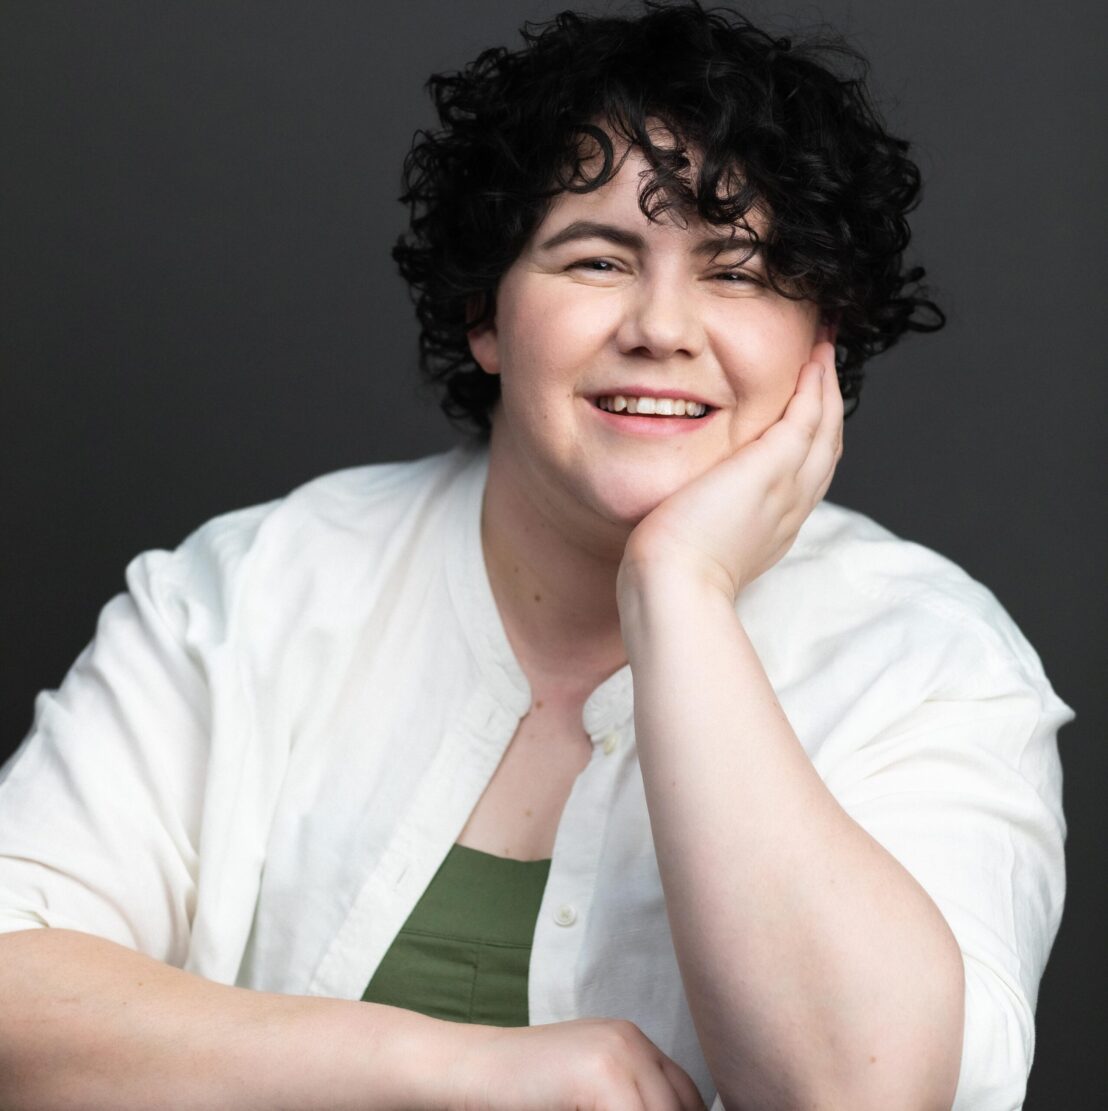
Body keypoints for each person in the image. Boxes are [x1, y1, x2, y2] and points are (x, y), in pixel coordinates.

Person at [0, 2, 1070, 1108]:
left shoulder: (931, 662)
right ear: (484, 311)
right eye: (597, 258)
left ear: (820, 340)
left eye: (738, 271)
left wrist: (680, 590)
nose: (662, 325)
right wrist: (444, 1068)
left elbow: (861, 1093)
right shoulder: (252, 588)